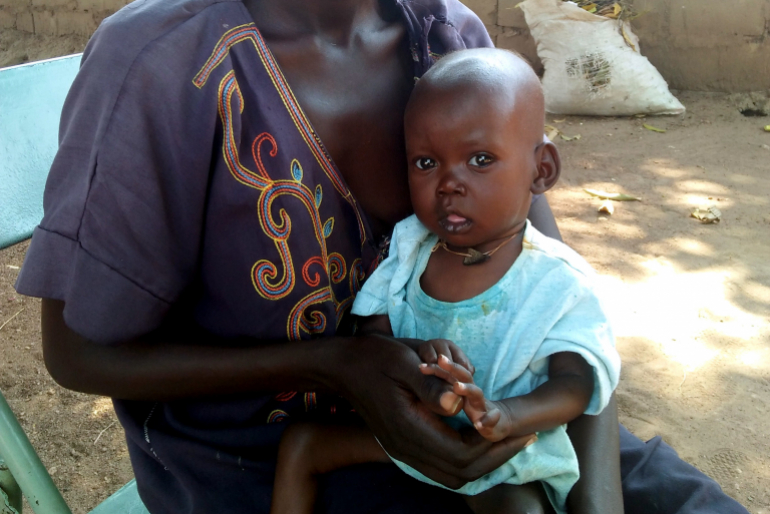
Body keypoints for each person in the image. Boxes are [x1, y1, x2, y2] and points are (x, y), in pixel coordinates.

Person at [13, 0, 750, 512]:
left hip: (504, 422)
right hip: (269, 469)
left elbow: (565, 303)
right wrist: (335, 363)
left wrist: (597, 496)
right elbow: (78, 353)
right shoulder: (167, 65)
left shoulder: (447, 37)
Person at [269, 48, 621, 514]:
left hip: (497, 451)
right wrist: (413, 357)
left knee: (520, 508)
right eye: (426, 163)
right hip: (408, 432)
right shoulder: (411, 246)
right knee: (301, 444)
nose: (448, 183)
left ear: (542, 170)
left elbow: (577, 384)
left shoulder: (559, 282)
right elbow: (373, 330)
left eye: (479, 159)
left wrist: (507, 416)